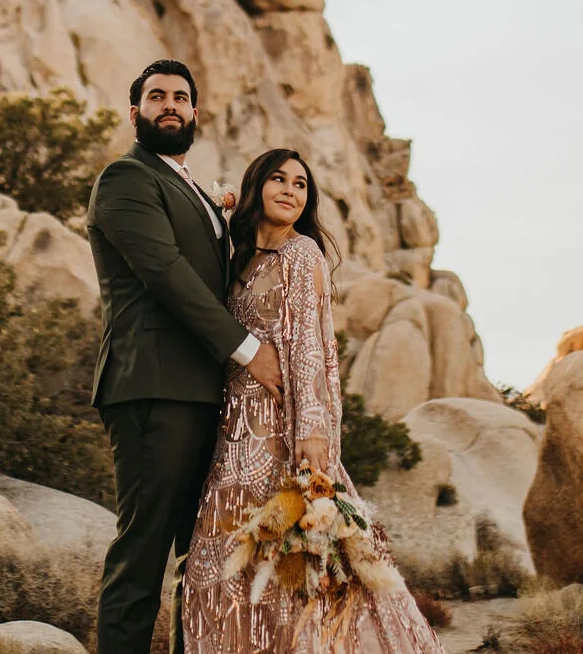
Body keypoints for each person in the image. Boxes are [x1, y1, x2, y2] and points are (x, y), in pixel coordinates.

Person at [183, 148, 443, 654]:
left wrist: (313, 432)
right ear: (257, 185)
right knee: (217, 566)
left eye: (300, 184)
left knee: (285, 572)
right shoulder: (241, 257)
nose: (289, 190)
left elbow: (308, 348)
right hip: (230, 429)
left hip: (277, 435)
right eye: (278, 179)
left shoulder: (303, 256)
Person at [87, 59, 285, 654]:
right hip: (152, 388)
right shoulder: (125, 178)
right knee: (142, 555)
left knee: (199, 557)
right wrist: (250, 350)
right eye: (156, 97)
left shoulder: (187, 186)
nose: (169, 105)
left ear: (195, 112)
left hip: (202, 393)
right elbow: (168, 274)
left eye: (180, 97)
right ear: (135, 113)